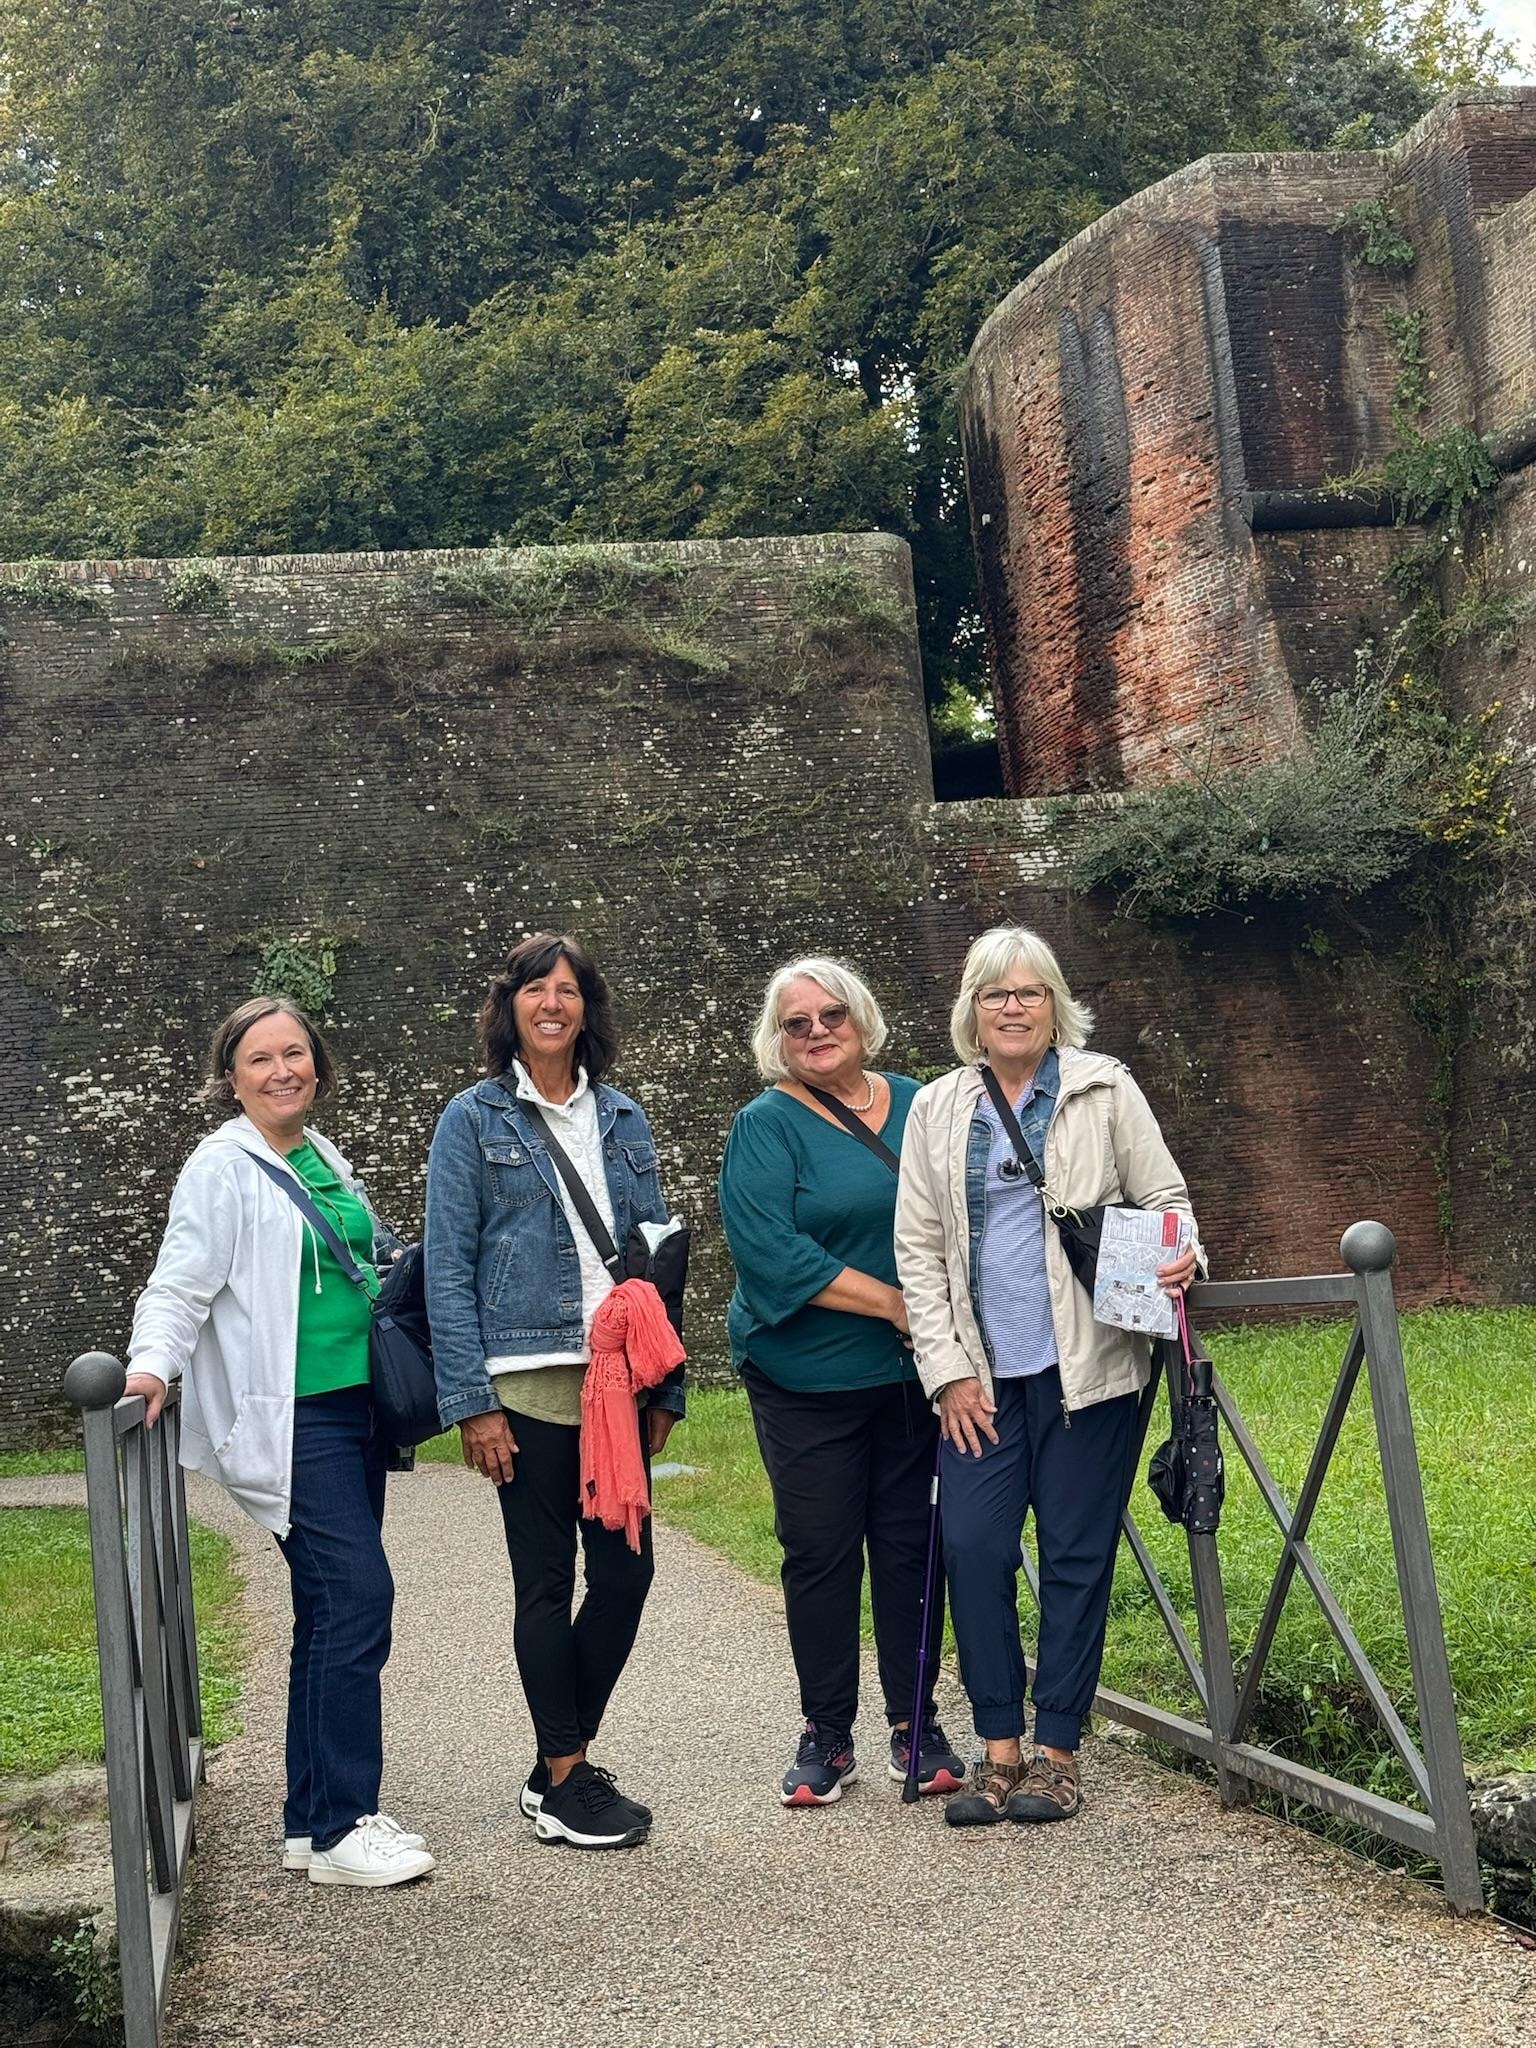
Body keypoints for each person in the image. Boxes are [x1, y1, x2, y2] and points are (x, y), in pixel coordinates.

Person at [894, 925, 1202, 1828]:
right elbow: (917, 1249)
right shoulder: (940, 1108)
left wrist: (1184, 1260)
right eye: (996, 993)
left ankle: (1057, 1752)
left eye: (1029, 992)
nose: (1013, 1006)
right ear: (972, 1011)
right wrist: (945, 1372)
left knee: (1075, 1557)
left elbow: (1168, 1205)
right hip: (982, 1382)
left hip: (1093, 1374)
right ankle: (998, 1748)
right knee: (976, 1549)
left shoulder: (1106, 1090)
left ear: (1055, 1003)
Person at [123, 997, 433, 1889]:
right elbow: (179, 1284)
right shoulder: (221, 1167)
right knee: (359, 1598)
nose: (281, 1070)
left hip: (354, 1408)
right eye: (259, 1060)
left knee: (329, 1612)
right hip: (293, 1417)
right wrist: (149, 1369)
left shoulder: (319, 1155)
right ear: (232, 1079)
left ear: (317, 1065)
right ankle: (343, 1825)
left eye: (294, 1054)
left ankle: (311, 1821)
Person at [426, 932, 682, 1851]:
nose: (551, 1004)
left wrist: (671, 1389)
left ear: (587, 1009)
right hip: (525, 1385)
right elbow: (449, 1270)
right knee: (545, 1583)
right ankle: (571, 1781)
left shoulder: (624, 1119)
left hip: (617, 1386)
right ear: (512, 1008)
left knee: (626, 1574)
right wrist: (471, 1402)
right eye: (535, 989)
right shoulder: (473, 1120)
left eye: (567, 990)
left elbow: (657, 1258)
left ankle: (552, 1766)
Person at [718, 957, 965, 1807]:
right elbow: (771, 1252)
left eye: (832, 1015)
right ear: (777, 1040)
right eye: (798, 1024)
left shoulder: (923, 1100)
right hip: (804, 1377)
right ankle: (826, 1732)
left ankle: (914, 1722)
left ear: (862, 1018)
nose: (818, 1032)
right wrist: (897, 1305)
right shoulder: (766, 1124)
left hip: (907, 1378)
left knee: (908, 1550)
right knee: (820, 1552)